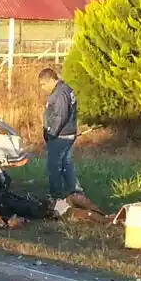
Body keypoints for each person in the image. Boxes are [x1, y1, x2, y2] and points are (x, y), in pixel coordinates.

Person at [39, 68, 82, 199]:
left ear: (51, 80)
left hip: (60, 135)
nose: (42, 88)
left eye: (43, 84)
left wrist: (51, 133)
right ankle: (76, 192)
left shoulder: (60, 93)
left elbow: (60, 116)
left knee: (54, 166)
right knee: (66, 164)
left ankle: (56, 196)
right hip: (66, 134)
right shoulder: (65, 89)